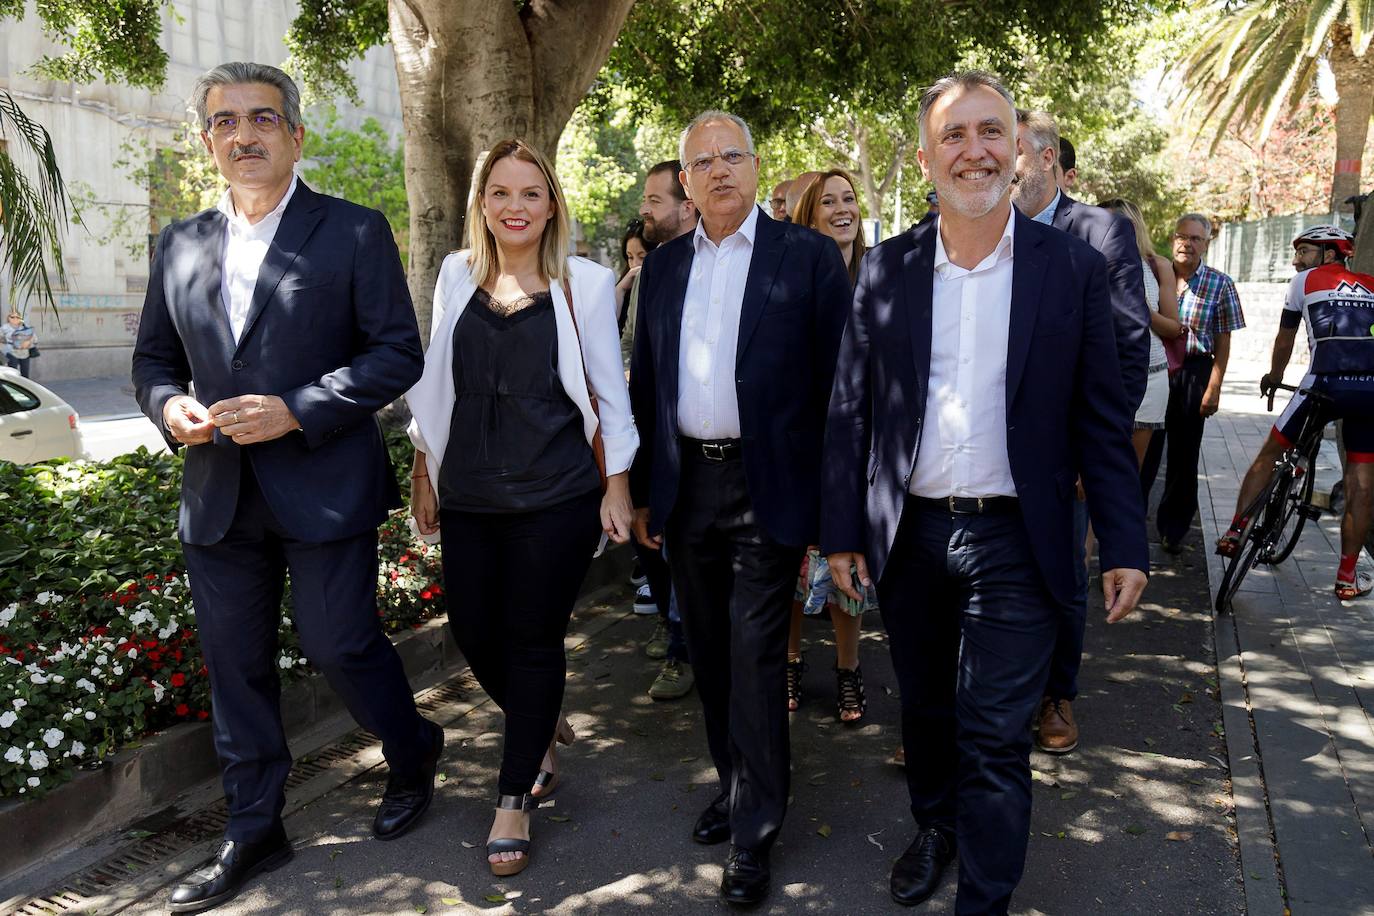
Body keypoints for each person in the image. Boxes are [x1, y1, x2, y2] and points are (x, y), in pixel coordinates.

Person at [821, 71, 1148, 913]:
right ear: (928, 157)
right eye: (955, 136)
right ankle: (935, 828)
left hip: (1019, 537)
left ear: (1022, 150)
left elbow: (1102, 418)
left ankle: (987, 898)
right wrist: (842, 533)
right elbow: (850, 411)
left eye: (990, 132)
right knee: (926, 711)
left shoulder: (1070, 268)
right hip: (914, 535)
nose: (975, 151)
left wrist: (1125, 543)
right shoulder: (888, 270)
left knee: (995, 734)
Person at [131, 62, 443, 913]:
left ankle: (414, 753)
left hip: (324, 482)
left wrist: (296, 410)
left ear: (295, 135)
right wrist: (172, 407)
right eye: (225, 121)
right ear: (208, 141)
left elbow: (395, 355)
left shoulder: (352, 231)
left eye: (262, 118)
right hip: (218, 490)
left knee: (340, 643)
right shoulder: (179, 242)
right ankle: (255, 825)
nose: (244, 134)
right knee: (236, 669)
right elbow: (153, 361)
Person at [629, 110, 850, 906]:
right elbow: (647, 387)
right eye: (702, 161)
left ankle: (755, 832)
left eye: (732, 156)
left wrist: (836, 515)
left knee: (756, 660)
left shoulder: (810, 259)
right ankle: (733, 785)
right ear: (684, 182)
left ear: (756, 168)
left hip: (770, 489)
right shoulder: (662, 270)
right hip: (688, 489)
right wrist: (650, 490)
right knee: (713, 657)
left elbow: (839, 393)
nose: (719, 170)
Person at [406, 138, 636, 877]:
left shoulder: (585, 284)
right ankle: (537, 722)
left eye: (530, 193)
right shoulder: (454, 274)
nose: (515, 206)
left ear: (552, 205)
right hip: (471, 488)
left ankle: (513, 798)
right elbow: (434, 382)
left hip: (556, 492)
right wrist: (423, 468)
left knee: (533, 640)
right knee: (474, 631)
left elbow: (608, 391)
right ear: (481, 204)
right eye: (500, 193)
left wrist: (619, 485)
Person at [1011, 109, 1151, 756]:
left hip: (1060, 454)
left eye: (1005, 148)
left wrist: (1090, 456)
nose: (988, 163)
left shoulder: (1101, 233)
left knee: (1060, 576)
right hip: (976, 454)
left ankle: (1055, 695)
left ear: (1046, 159)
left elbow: (1124, 350)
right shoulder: (964, 227)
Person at [1215, 225, 1374, 598]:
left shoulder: (1303, 282)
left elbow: (1285, 339)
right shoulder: (1370, 283)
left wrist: (1273, 376)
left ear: (1330, 254)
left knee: (1270, 454)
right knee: (1361, 481)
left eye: (1304, 252)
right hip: (1370, 391)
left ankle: (1236, 530)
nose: (1295, 260)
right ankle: (1347, 578)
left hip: (1324, 385)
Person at [786, 169, 874, 722]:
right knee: (793, 563)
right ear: (810, 217)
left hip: (857, 446)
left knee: (849, 563)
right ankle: (791, 662)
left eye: (849, 200)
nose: (842, 209)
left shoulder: (880, 275)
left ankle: (848, 670)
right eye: (829, 202)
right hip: (798, 445)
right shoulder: (791, 277)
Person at [629, 159, 700, 702]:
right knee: (665, 554)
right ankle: (679, 642)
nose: (644, 210)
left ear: (687, 205)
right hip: (667, 455)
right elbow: (645, 379)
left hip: (729, 466)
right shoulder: (654, 272)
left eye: (655, 200)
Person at [1142, 214, 1246, 552]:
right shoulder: (1156, 275)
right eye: (1181, 237)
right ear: (1173, 240)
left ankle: (1173, 529)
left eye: (1195, 239)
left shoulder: (1220, 283)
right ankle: (1130, 525)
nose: (1187, 244)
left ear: (1207, 244)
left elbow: (1224, 340)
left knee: (1184, 456)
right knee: (1145, 449)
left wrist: (1214, 387)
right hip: (1156, 368)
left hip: (1194, 371)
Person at [1100, 197, 1184, 466]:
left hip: (1151, 376)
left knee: (1129, 472)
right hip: (1103, 376)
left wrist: (1142, 311)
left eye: (1110, 223)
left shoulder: (1157, 266)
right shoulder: (1090, 262)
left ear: (1131, 227)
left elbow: (1174, 328)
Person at [614, 218, 656, 329]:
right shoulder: (625, 286)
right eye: (630, 257)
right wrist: (620, 289)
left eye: (642, 257)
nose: (635, 264)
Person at [3, 311, 37, 378]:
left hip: (24, 354)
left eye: (17, 317)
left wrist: (28, 342)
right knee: (12, 375)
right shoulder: (4, 328)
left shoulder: (25, 328)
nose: (15, 319)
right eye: (12, 317)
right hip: (11, 353)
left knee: (25, 376)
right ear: (8, 318)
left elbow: (35, 339)